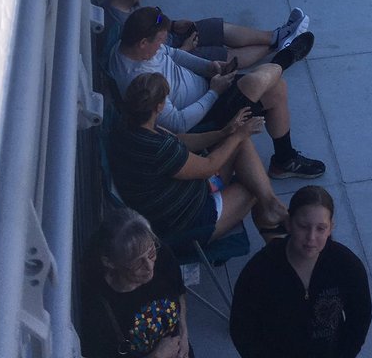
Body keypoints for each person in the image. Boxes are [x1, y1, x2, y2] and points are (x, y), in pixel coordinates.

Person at [108, 6, 325, 180]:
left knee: (277, 89)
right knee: (255, 83)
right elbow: (178, 124)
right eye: (159, 42)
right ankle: (286, 57)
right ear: (144, 43)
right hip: (204, 116)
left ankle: (284, 161)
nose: (162, 45)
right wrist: (214, 92)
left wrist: (208, 67)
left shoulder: (131, 46)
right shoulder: (140, 83)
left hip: (209, 87)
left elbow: (172, 54)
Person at [110, 73, 289, 245]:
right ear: (159, 107)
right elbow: (209, 167)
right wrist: (239, 135)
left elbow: (180, 139)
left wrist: (224, 133)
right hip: (187, 221)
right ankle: (274, 239)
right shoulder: (159, 149)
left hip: (184, 192)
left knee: (240, 144)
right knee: (252, 189)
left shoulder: (129, 125)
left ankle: (272, 206)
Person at [229, 186, 372, 358]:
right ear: (289, 223)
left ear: (331, 228)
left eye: (321, 228)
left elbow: (360, 317)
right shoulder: (260, 270)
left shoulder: (347, 266)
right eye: (303, 226)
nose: (311, 238)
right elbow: (242, 327)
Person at [100, 0, 310, 66]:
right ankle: (278, 46)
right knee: (223, 56)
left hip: (170, 36)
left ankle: (277, 36)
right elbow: (151, 59)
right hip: (175, 54)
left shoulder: (124, 2)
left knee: (212, 26)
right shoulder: (119, 26)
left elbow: (152, 17)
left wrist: (171, 24)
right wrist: (185, 49)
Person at [78, 207, 190, 358]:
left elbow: (179, 292)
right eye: (137, 263)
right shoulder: (98, 308)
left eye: (151, 253)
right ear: (110, 262)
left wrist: (184, 333)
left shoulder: (162, 255)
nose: (150, 267)